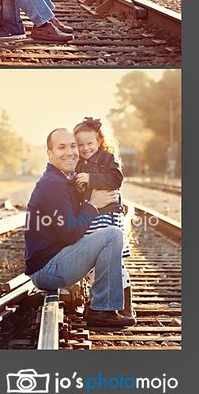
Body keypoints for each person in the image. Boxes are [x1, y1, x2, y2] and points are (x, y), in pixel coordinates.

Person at [24, 128, 136, 329]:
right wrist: (93, 206)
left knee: (108, 234)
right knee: (112, 236)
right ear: (50, 154)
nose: (70, 152)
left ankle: (105, 305)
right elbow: (70, 233)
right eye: (61, 147)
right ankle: (101, 309)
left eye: (72, 146)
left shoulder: (62, 179)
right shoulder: (52, 185)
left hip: (53, 261)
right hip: (48, 269)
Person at [73, 117, 134, 320]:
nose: (85, 148)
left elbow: (116, 179)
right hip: (93, 216)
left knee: (112, 261)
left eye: (90, 143)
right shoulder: (78, 164)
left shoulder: (107, 158)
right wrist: (80, 188)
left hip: (108, 216)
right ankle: (98, 301)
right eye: (80, 144)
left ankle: (125, 306)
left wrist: (91, 179)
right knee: (95, 261)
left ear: (99, 141)